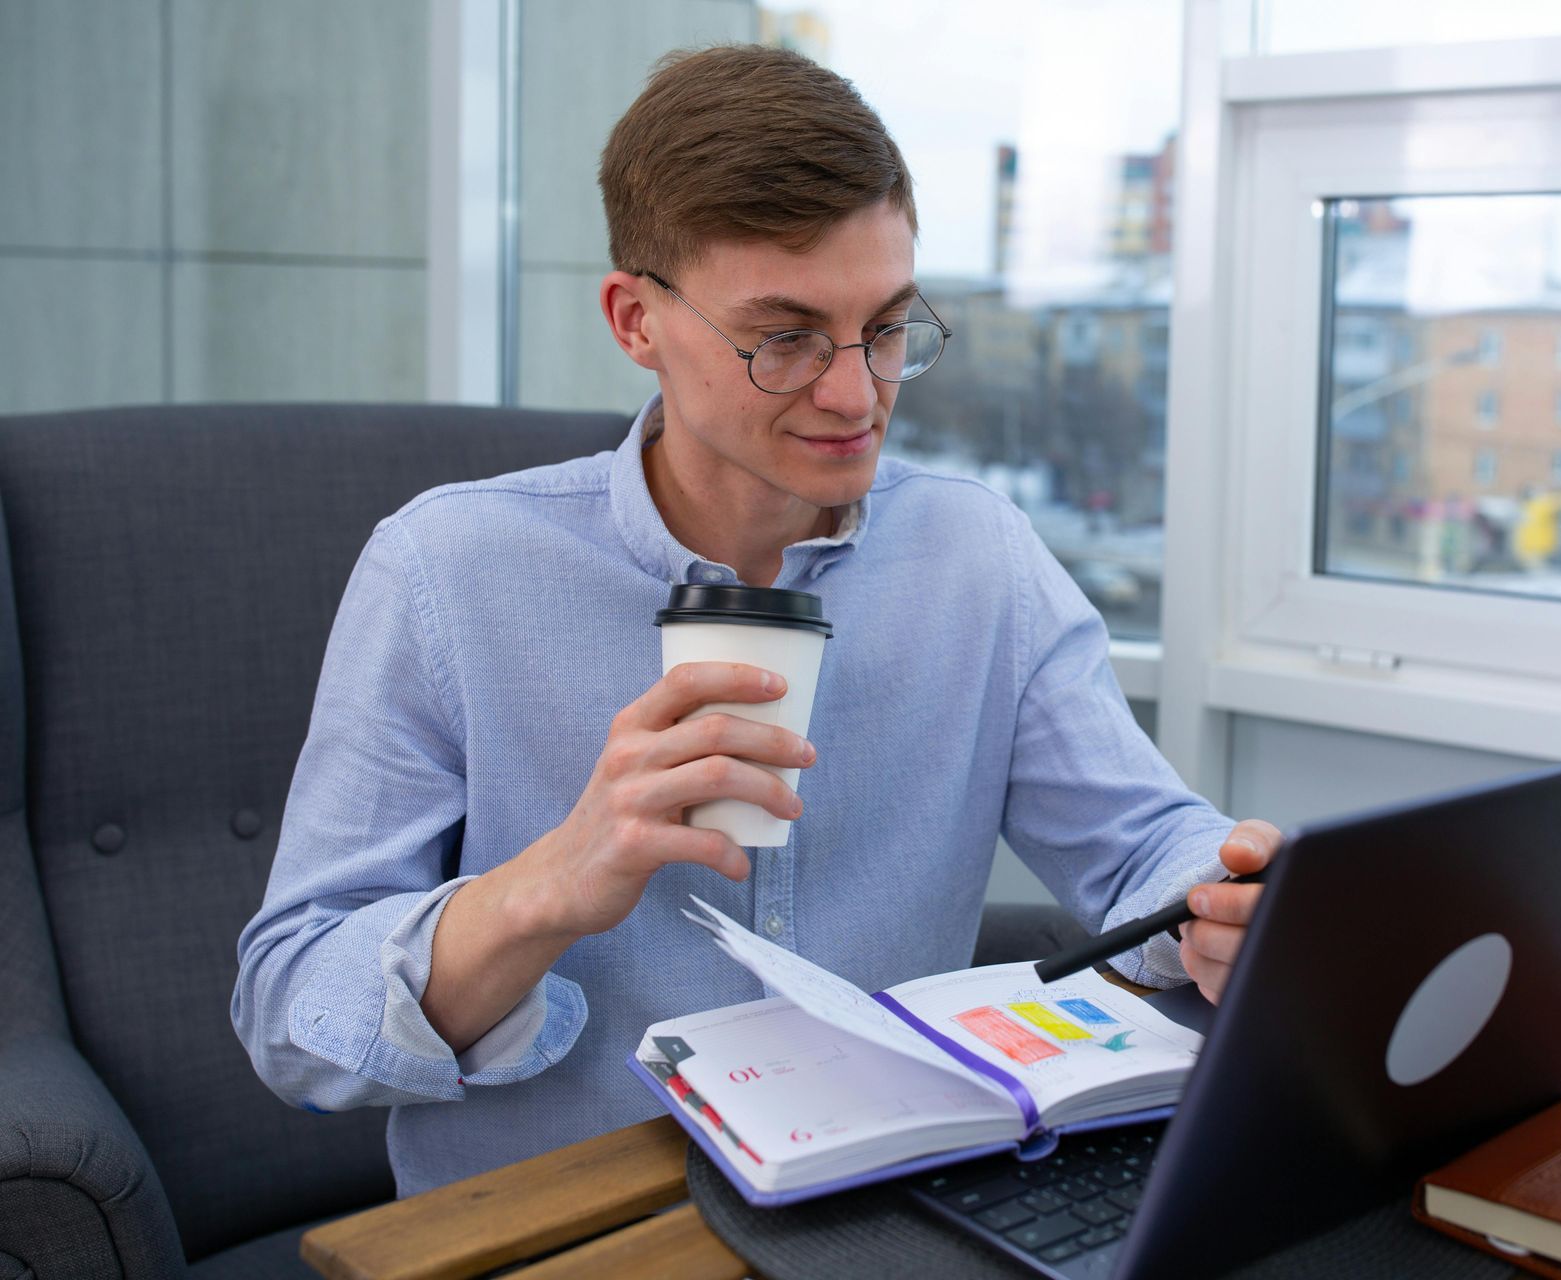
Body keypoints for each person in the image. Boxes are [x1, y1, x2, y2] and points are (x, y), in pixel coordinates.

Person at [233, 44, 1277, 1196]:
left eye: (886, 326)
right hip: (564, 1229)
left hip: (882, 1210)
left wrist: (1227, 901)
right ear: (636, 320)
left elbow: (1144, 846)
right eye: (782, 338)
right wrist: (545, 886)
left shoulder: (977, 558)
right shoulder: (446, 569)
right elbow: (289, 1013)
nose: (854, 393)